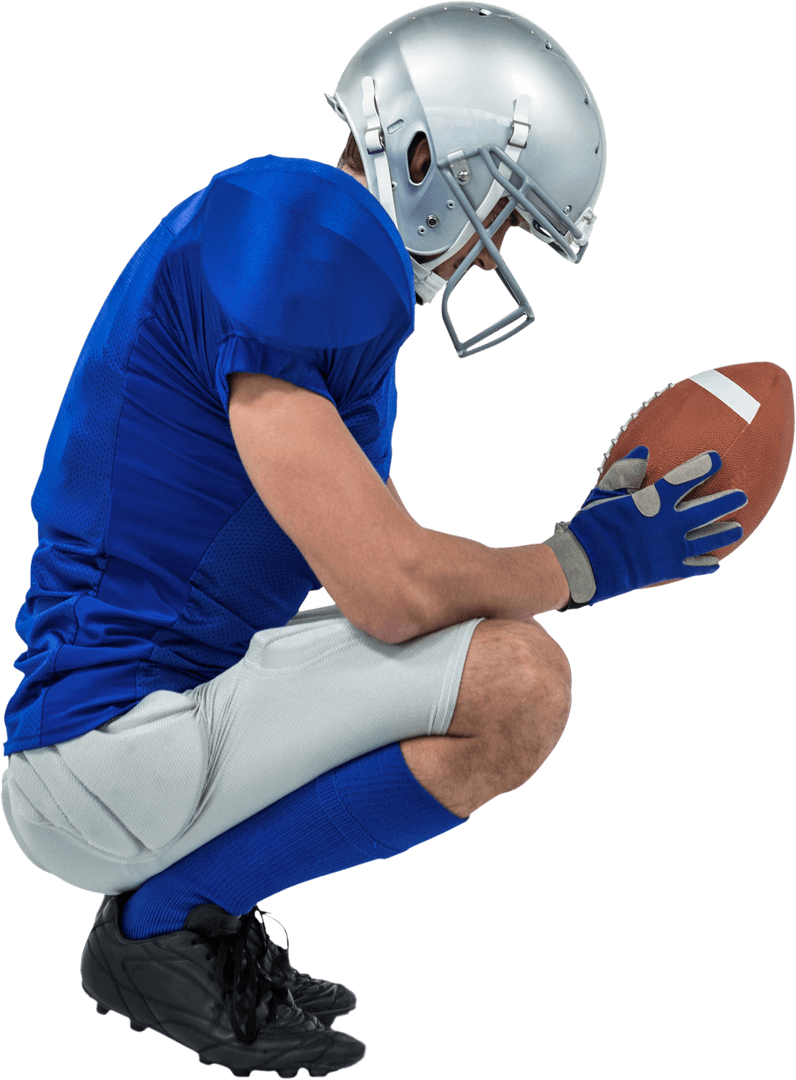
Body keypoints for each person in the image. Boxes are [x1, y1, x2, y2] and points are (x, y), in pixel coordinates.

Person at [0, 4, 745, 1077]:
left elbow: (371, 576)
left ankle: (194, 912)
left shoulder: (292, 242)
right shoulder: (315, 224)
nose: (495, 249)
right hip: (111, 750)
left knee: (477, 645)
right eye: (506, 211)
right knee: (517, 678)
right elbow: (388, 590)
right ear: (427, 152)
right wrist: (586, 560)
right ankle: (167, 926)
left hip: (129, 734)